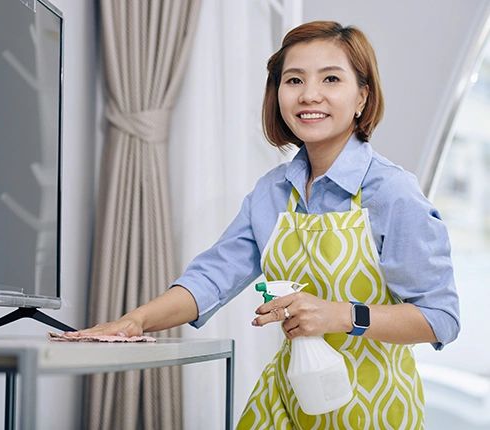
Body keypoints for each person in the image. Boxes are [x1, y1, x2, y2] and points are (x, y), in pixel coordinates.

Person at [71, 21, 460, 428]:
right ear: (278, 96)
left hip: (375, 411)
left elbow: (440, 319)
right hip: (288, 402)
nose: (310, 95)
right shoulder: (273, 192)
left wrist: (342, 316)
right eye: (294, 80)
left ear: (362, 95)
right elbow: (212, 277)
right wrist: (135, 321)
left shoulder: (392, 192)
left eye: (331, 78)